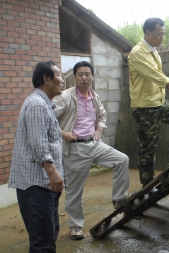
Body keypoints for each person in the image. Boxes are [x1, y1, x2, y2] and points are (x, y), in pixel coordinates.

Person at [53, 61, 130, 240]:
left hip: (95, 144)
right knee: (74, 191)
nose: (84, 77)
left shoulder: (94, 96)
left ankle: (119, 198)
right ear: (74, 76)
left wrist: (99, 129)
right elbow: (48, 117)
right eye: (80, 74)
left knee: (122, 159)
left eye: (87, 74)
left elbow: (102, 115)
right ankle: (75, 227)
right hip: (75, 149)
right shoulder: (66, 97)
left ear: (92, 76)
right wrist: (62, 133)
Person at [128, 17, 169, 189]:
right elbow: (153, 75)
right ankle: (147, 187)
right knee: (148, 149)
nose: (162, 38)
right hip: (144, 107)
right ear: (148, 33)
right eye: (159, 34)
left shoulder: (154, 51)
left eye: (163, 34)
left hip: (159, 102)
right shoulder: (138, 52)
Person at [8, 61, 65, 252]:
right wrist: (52, 171)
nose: (62, 80)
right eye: (58, 75)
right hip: (36, 186)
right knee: (43, 244)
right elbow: (38, 142)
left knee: (48, 235)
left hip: (44, 185)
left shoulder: (45, 104)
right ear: (46, 78)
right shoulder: (37, 104)